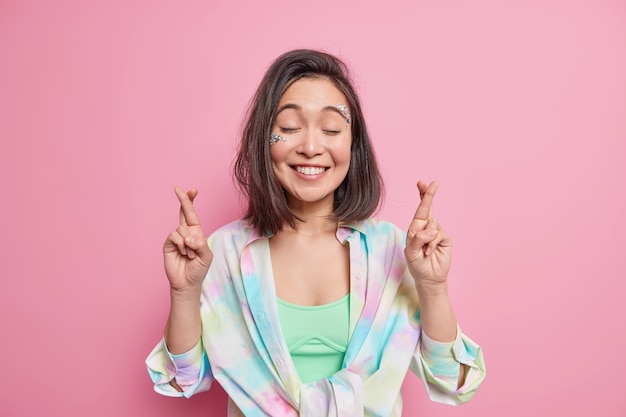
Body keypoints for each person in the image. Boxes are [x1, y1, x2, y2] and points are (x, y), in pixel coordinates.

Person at [146, 49, 486, 416]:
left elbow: (450, 377)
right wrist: (183, 292)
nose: (310, 147)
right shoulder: (225, 251)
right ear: (264, 139)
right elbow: (183, 379)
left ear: (353, 145)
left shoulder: (391, 249)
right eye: (289, 128)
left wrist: (433, 287)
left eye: (331, 129)